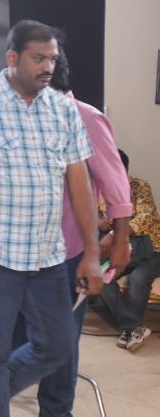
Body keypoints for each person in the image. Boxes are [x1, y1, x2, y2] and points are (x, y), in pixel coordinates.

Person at [0, 46, 133, 416]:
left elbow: (115, 185)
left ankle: (54, 410)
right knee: (6, 340)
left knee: (58, 346)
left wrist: (121, 240)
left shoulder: (85, 118)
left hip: (63, 257)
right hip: (0, 251)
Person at [99, 149, 160, 352]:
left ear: (125, 169)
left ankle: (129, 329)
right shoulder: (101, 193)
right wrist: (100, 222)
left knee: (139, 278)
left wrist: (114, 233)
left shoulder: (140, 186)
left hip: (152, 250)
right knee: (102, 276)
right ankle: (133, 327)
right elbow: (92, 216)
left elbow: (145, 218)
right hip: (123, 252)